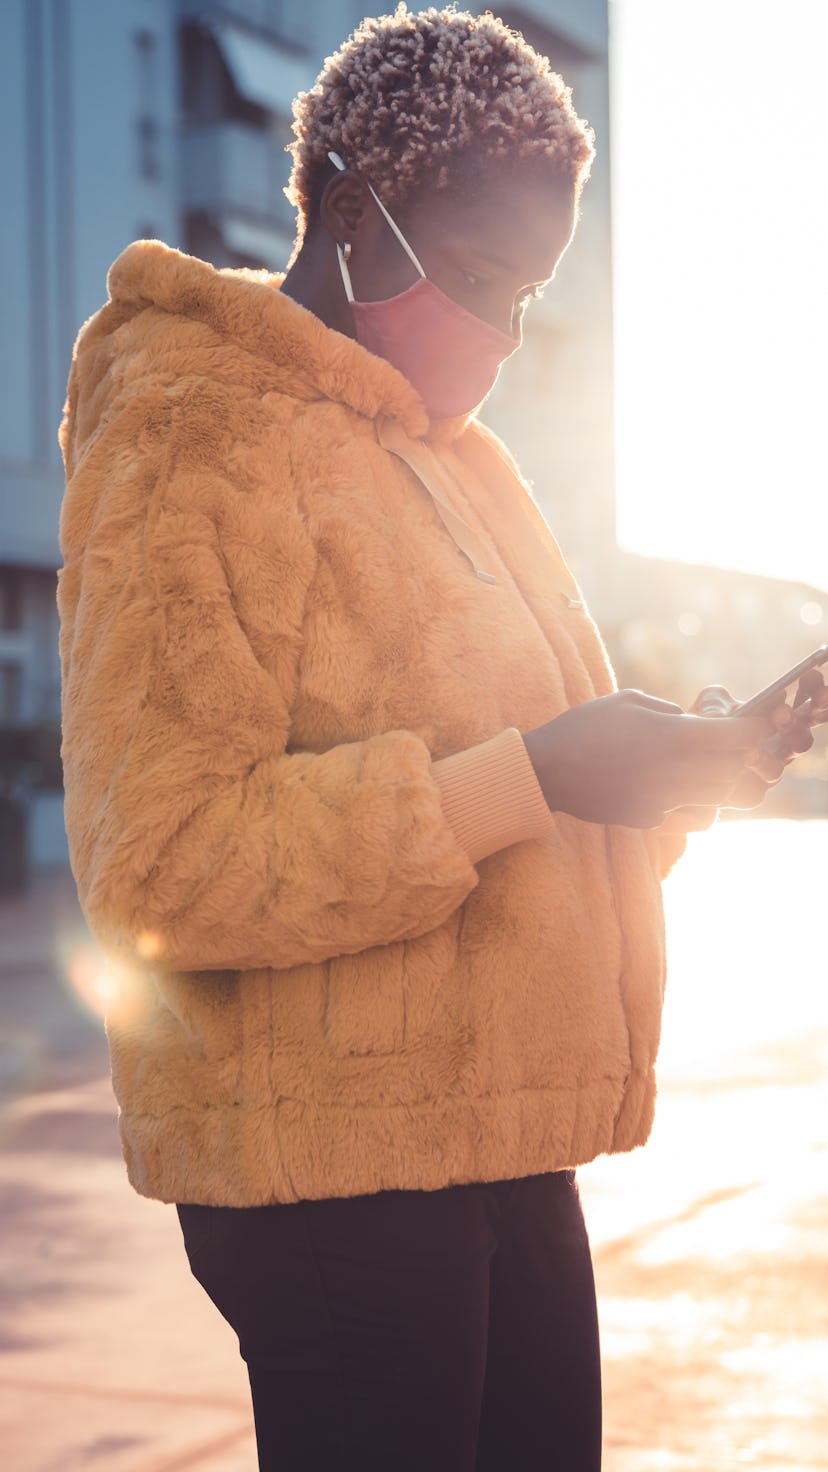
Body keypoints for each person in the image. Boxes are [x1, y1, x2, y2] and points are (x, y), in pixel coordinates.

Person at [56, 7, 826, 1470]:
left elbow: (533, 824)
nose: (506, 330)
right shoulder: (191, 436)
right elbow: (163, 869)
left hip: (505, 1142)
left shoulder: (465, 471)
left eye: (533, 294)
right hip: (335, 1175)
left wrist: (685, 775)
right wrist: (535, 772)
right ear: (352, 212)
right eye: (481, 277)